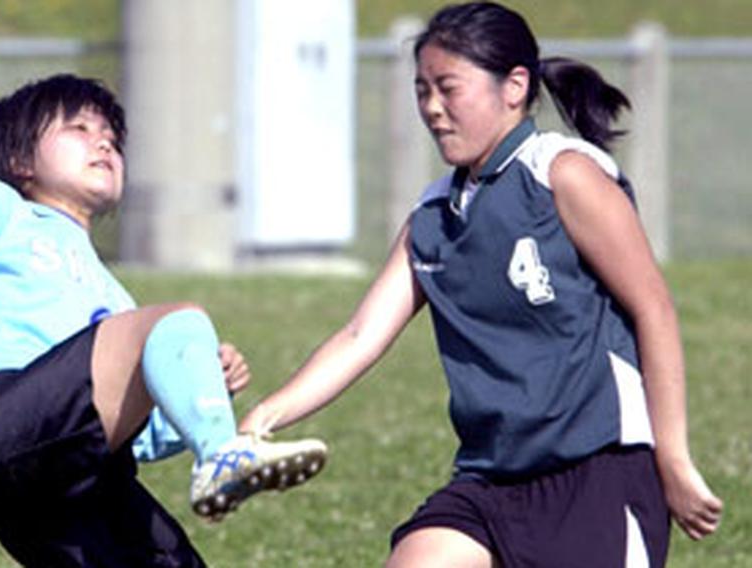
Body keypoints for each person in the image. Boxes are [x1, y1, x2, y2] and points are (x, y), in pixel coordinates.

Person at [239, 2, 723, 566]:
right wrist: (263, 417)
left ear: (514, 86)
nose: (432, 108)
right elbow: (358, 336)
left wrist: (674, 459)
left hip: (598, 472)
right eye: (422, 90)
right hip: (489, 481)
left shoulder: (563, 175)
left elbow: (654, 309)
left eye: (448, 88)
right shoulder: (433, 215)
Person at [0, 73, 326, 567]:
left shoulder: (113, 295)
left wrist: (199, 393)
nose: (103, 142)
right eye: (79, 129)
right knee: (178, 320)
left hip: (86, 471)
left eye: (112, 139)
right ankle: (222, 453)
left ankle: (215, 447)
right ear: (18, 160)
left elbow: (134, 439)